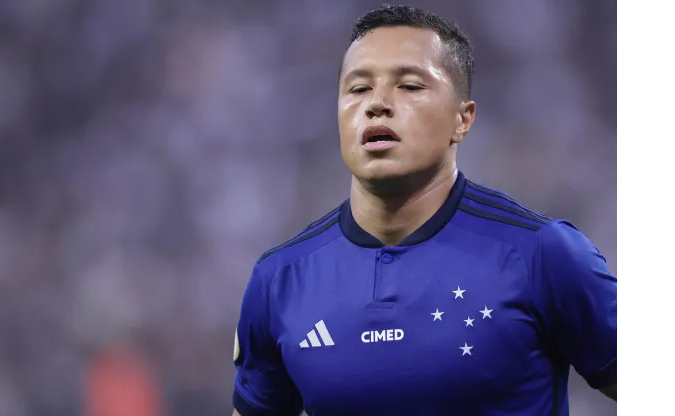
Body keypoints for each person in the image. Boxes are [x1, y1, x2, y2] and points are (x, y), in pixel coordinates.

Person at [231, 4, 616, 415]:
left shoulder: (543, 255)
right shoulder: (279, 280)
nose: (376, 103)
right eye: (358, 88)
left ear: (462, 120)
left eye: (410, 86)